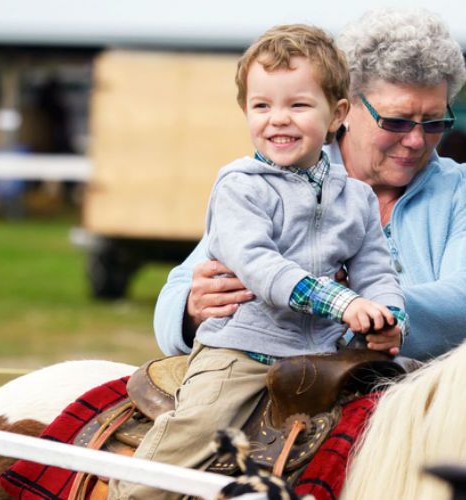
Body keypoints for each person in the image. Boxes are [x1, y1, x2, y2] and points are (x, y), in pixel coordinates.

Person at [109, 24, 405, 500]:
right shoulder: (239, 186)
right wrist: (342, 302)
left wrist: (391, 317)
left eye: (299, 105)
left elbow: (376, 269)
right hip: (241, 352)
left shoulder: (357, 198)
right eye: (262, 106)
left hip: (327, 357)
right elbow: (259, 266)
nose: (278, 120)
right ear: (245, 111)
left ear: (337, 114)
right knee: (197, 429)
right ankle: (133, 493)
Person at [154, 7, 466, 362]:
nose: (417, 140)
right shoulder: (268, 182)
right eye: (397, 121)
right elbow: (173, 302)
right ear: (346, 109)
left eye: (434, 122)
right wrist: (194, 310)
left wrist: (356, 306)